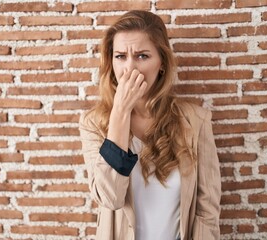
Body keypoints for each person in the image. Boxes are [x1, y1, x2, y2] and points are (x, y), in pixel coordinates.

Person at [79, 10, 221, 240]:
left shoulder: (196, 121)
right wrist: (120, 113)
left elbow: (207, 210)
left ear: (162, 63)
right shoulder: (94, 124)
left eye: (142, 56)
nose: (130, 68)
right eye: (121, 56)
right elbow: (110, 198)